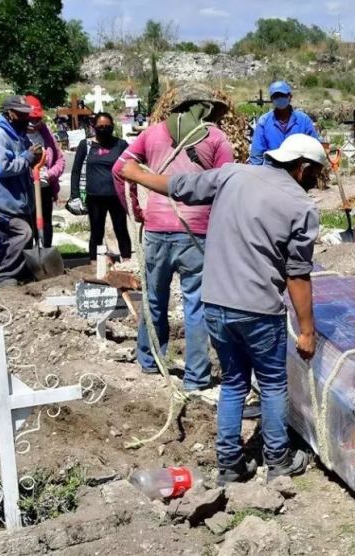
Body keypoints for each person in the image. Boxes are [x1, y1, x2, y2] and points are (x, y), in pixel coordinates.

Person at [120, 134, 322, 485]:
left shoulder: (232, 174)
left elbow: (180, 186)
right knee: (273, 384)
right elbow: (298, 275)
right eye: (315, 173)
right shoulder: (300, 205)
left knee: (233, 382)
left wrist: (135, 174)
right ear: (302, 167)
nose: (315, 181)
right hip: (259, 308)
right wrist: (307, 331)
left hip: (215, 303)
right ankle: (278, 460)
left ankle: (229, 463)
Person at [112, 84, 234, 392]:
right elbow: (228, 186)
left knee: (154, 299)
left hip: (156, 230)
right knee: (196, 305)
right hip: (197, 233)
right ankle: (196, 377)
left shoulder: (151, 134)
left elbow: (119, 169)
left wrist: (135, 209)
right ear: (203, 108)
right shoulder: (217, 139)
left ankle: (149, 361)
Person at [0, 95, 44, 288]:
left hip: (16, 201)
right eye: (21, 114)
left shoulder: (17, 132)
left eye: (27, 114)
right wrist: (27, 157)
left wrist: (32, 156)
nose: (26, 118)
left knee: (3, 245)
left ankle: (1, 279)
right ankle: (2, 277)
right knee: (23, 233)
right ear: (10, 113)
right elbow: (3, 168)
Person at [72, 112, 131, 262]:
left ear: (112, 127)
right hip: (94, 197)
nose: (104, 129)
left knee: (121, 229)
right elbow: (76, 171)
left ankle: (127, 260)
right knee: (96, 232)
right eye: (100, 126)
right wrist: (75, 194)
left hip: (116, 196)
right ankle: (95, 263)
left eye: (107, 126)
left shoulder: (121, 145)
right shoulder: (86, 145)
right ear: (94, 127)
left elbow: (131, 166)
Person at [23, 94, 65, 249]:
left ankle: (45, 249)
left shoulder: (45, 134)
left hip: (45, 187)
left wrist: (49, 174)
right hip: (26, 188)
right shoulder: (16, 135)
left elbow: (60, 159)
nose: (34, 123)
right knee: (28, 224)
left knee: (46, 222)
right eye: (30, 119)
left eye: (37, 119)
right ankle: (29, 254)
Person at [247, 81, 319, 165]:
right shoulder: (264, 122)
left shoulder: (304, 121)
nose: (279, 99)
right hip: (272, 171)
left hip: (297, 172)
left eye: (282, 95)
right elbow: (256, 155)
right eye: (276, 96)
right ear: (272, 100)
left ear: (290, 97)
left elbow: (315, 150)